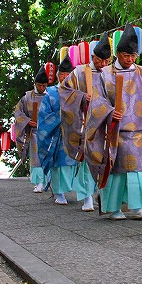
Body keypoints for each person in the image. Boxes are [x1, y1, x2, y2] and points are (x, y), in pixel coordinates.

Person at [98, 25, 142, 220]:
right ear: (118, 54)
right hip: (117, 130)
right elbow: (98, 100)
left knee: (140, 171)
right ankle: (114, 208)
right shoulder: (106, 73)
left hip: (140, 130)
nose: (130, 59)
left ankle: (138, 207)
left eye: (133, 56)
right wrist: (108, 112)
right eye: (126, 55)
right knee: (117, 171)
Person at [58, 32, 112, 213]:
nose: (103, 64)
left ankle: (103, 196)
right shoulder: (80, 72)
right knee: (87, 159)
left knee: (106, 160)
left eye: (106, 61)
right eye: (99, 60)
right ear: (92, 57)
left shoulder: (110, 72)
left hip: (106, 121)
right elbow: (64, 90)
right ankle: (86, 197)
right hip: (86, 122)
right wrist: (81, 97)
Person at [37, 55, 96, 210]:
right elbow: (44, 115)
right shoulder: (51, 92)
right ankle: (60, 193)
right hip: (59, 133)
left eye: (68, 74)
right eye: (62, 74)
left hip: (78, 132)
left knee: (82, 163)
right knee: (60, 163)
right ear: (58, 76)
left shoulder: (80, 92)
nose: (65, 77)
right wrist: (61, 118)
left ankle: (86, 195)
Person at [14, 68, 49, 192]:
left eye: (44, 85)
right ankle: (39, 182)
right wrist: (28, 121)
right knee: (36, 158)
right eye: (40, 85)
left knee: (48, 158)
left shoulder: (51, 95)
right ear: (35, 84)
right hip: (34, 132)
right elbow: (18, 112)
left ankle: (48, 182)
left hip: (49, 132)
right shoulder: (27, 97)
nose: (42, 88)